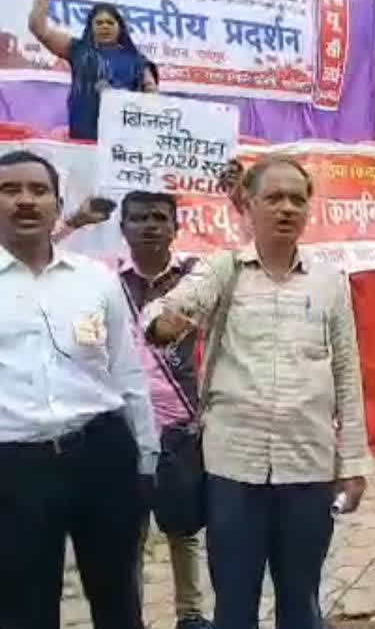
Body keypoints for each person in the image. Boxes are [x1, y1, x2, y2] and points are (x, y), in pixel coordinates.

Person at [143, 156, 372, 629]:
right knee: (234, 605)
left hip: (307, 467)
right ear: (248, 204)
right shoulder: (223, 269)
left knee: (301, 602)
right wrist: (166, 323)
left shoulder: (330, 283)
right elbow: (169, 311)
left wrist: (352, 465)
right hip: (233, 471)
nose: (287, 208)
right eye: (274, 198)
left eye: (297, 198)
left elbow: (347, 376)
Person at [0, 150, 159, 629]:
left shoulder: (97, 281)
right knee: (21, 604)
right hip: (14, 466)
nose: (26, 201)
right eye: (10, 190)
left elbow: (128, 374)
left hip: (101, 453)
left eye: (38, 190)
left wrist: (146, 457)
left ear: (57, 203)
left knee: (118, 597)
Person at [56, 190, 213, 629]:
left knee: (183, 527)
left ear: (175, 228)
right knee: (129, 531)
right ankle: (132, 617)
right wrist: (75, 222)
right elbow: (39, 257)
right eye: (138, 218)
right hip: (121, 425)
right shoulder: (102, 276)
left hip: (182, 422)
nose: (149, 225)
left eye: (159, 217)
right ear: (122, 227)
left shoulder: (198, 277)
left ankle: (191, 614)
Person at [28, 0, 154, 140]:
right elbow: (39, 29)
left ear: (120, 27)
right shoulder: (79, 50)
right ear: (91, 27)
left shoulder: (137, 60)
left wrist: (117, 98)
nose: (104, 26)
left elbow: (152, 98)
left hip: (123, 141)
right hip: (83, 137)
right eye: (99, 22)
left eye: (110, 22)